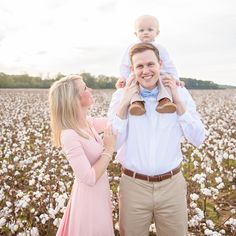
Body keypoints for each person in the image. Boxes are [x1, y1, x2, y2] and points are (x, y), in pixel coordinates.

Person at [108, 43, 206, 236]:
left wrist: (178, 102)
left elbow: (198, 138)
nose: (146, 71)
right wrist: (124, 103)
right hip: (133, 186)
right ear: (132, 70)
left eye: (150, 64)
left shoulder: (179, 93)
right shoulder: (120, 95)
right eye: (139, 66)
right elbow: (114, 145)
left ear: (160, 64)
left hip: (172, 185)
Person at [49, 74, 116, 236]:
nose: (91, 89)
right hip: (88, 201)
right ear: (73, 99)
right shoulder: (69, 135)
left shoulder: (88, 122)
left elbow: (117, 122)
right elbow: (88, 178)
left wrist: (124, 89)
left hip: (100, 195)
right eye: (85, 88)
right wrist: (108, 149)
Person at [118, 14, 184, 115]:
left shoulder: (160, 47)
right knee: (132, 83)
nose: (145, 33)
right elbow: (125, 64)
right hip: (136, 75)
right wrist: (123, 77)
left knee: (166, 81)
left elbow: (169, 64)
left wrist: (175, 77)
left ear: (157, 33)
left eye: (150, 30)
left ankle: (165, 100)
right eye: (141, 30)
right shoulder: (132, 47)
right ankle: (136, 103)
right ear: (136, 33)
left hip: (159, 74)